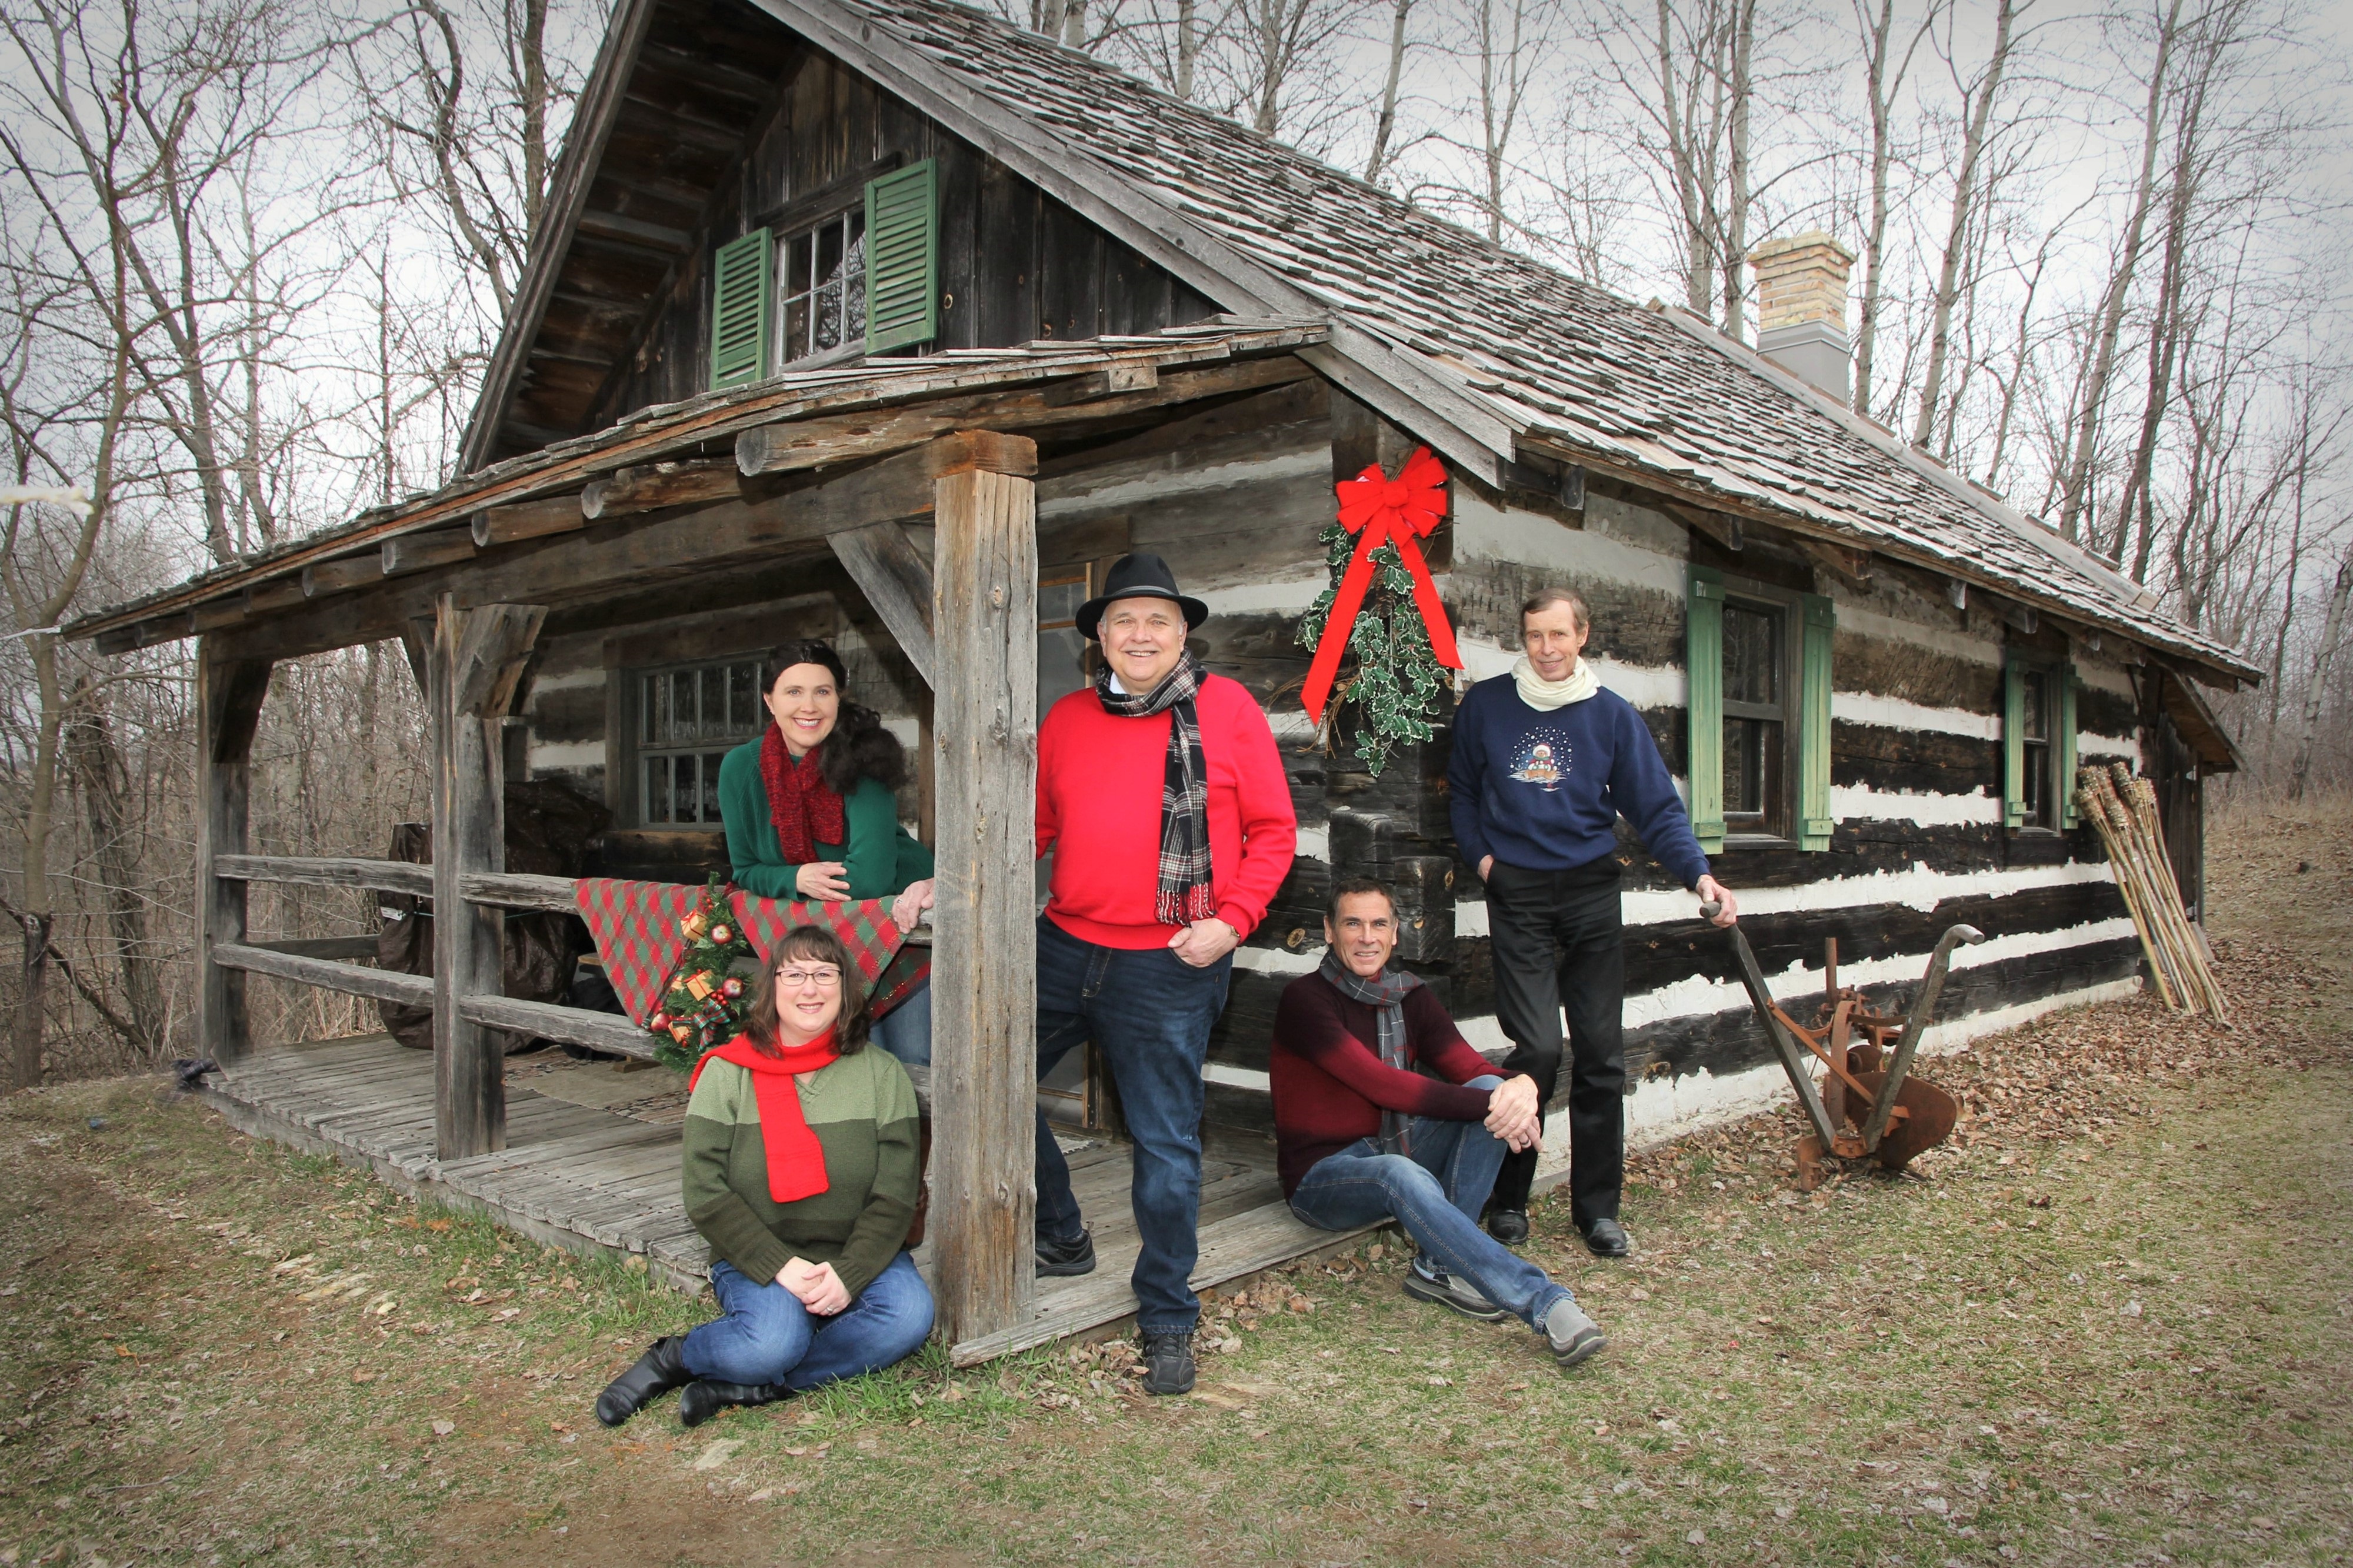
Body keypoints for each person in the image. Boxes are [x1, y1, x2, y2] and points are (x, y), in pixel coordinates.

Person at [1032, 552, 1297, 1396]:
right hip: (1063, 945)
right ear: (1099, 638)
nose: (1139, 634)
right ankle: (1063, 1232)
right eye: (1123, 621)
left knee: (1165, 1145)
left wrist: (1232, 921)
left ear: (1184, 632)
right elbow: (1028, 828)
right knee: (985, 1084)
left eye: (1157, 620)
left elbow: (1274, 832)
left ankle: (1168, 1314)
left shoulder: (1228, 710)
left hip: (1173, 959)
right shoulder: (1067, 718)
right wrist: (947, 878)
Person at [1447, 588, 1740, 1258]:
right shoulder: (1487, 706)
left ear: (1582, 635)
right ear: (1522, 639)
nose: (1546, 649)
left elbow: (1656, 809)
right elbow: (1462, 791)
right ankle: (1510, 1196)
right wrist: (1485, 860)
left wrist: (1699, 873)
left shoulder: (1611, 716)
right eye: (1533, 636)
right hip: (1515, 888)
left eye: (1558, 635)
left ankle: (1597, 1208)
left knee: (1602, 1051)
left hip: (1587, 892)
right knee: (1539, 1050)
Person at [593, 924, 932, 1429]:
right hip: (762, 1252)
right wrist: (779, 1265)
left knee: (908, 1317)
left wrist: (852, 1272)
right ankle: (674, 1359)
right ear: (772, 986)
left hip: (856, 1249)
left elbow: (896, 1193)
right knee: (770, 1341)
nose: (810, 988)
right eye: (794, 974)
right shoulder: (728, 1073)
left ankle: (754, 1385)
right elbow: (705, 1192)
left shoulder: (883, 1074)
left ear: (846, 988)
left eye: (824, 974)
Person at [1274, 878, 1607, 1370]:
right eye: (1352, 923)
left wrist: (1520, 1089)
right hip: (1324, 1177)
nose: (1367, 937)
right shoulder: (1306, 1001)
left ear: (1395, 935)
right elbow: (1383, 1086)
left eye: (1379, 924)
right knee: (1413, 1160)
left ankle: (1436, 1267)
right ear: (1329, 930)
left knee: (1486, 1095)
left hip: (1392, 1149)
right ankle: (1544, 1302)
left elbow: (1469, 1067)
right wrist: (1502, 1098)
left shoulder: (1408, 996)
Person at [718, 639, 937, 1066]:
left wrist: (792, 881)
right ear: (770, 700)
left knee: (913, 1059)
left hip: (902, 928)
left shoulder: (863, 758)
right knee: (847, 1060)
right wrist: (794, 878)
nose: (810, 706)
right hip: (825, 945)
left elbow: (871, 879)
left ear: (839, 697)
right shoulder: (740, 769)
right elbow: (744, 867)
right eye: (793, 692)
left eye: (823, 691)